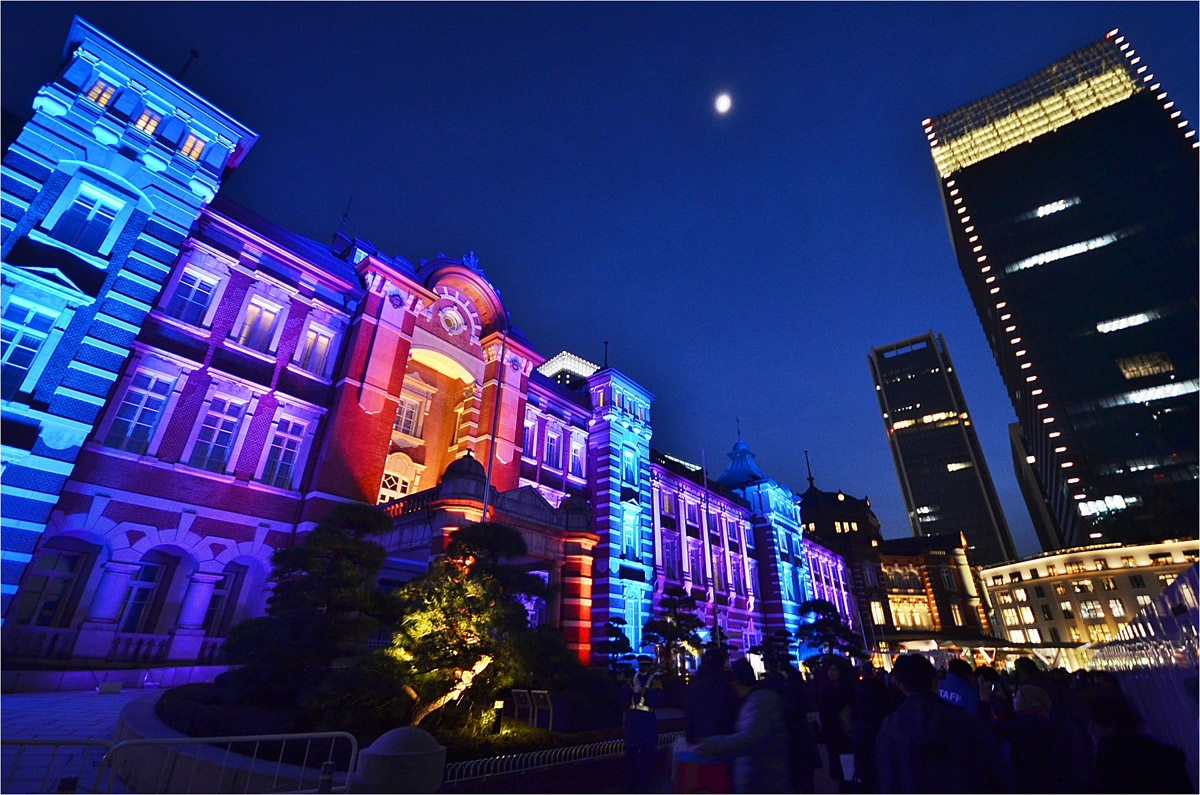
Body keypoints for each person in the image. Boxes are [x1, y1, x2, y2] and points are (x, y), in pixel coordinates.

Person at [875, 654, 1014, 793]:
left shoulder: (890, 726)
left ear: (900, 685)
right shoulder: (960, 718)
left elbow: (888, 778)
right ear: (935, 681)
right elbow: (992, 765)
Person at [699, 659, 791, 793]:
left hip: (765, 781)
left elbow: (750, 739)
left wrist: (710, 744)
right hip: (759, 778)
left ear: (737, 681)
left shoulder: (762, 700)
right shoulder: (755, 699)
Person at [1083, 686, 1194, 793]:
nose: (1090, 727)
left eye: (1092, 721)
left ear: (1105, 720)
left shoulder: (1109, 757)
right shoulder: (1158, 752)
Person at [623, 655, 664, 793]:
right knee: (631, 754)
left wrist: (642, 691)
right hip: (634, 720)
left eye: (644, 665)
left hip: (646, 720)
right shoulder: (633, 679)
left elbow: (657, 699)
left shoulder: (654, 681)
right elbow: (622, 696)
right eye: (640, 665)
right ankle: (630, 784)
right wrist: (631, 689)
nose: (642, 667)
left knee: (646, 755)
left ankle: (643, 786)